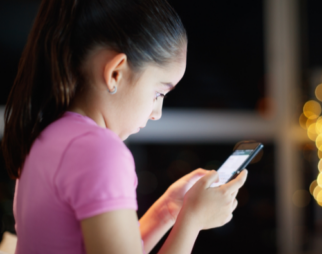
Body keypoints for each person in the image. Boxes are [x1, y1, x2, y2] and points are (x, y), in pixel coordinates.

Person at [1, 0, 248, 253]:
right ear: (115, 73)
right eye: (158, 93)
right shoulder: (99, 150)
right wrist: (193, 221)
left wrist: (166, 212)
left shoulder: (46, 137)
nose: (157, 113)